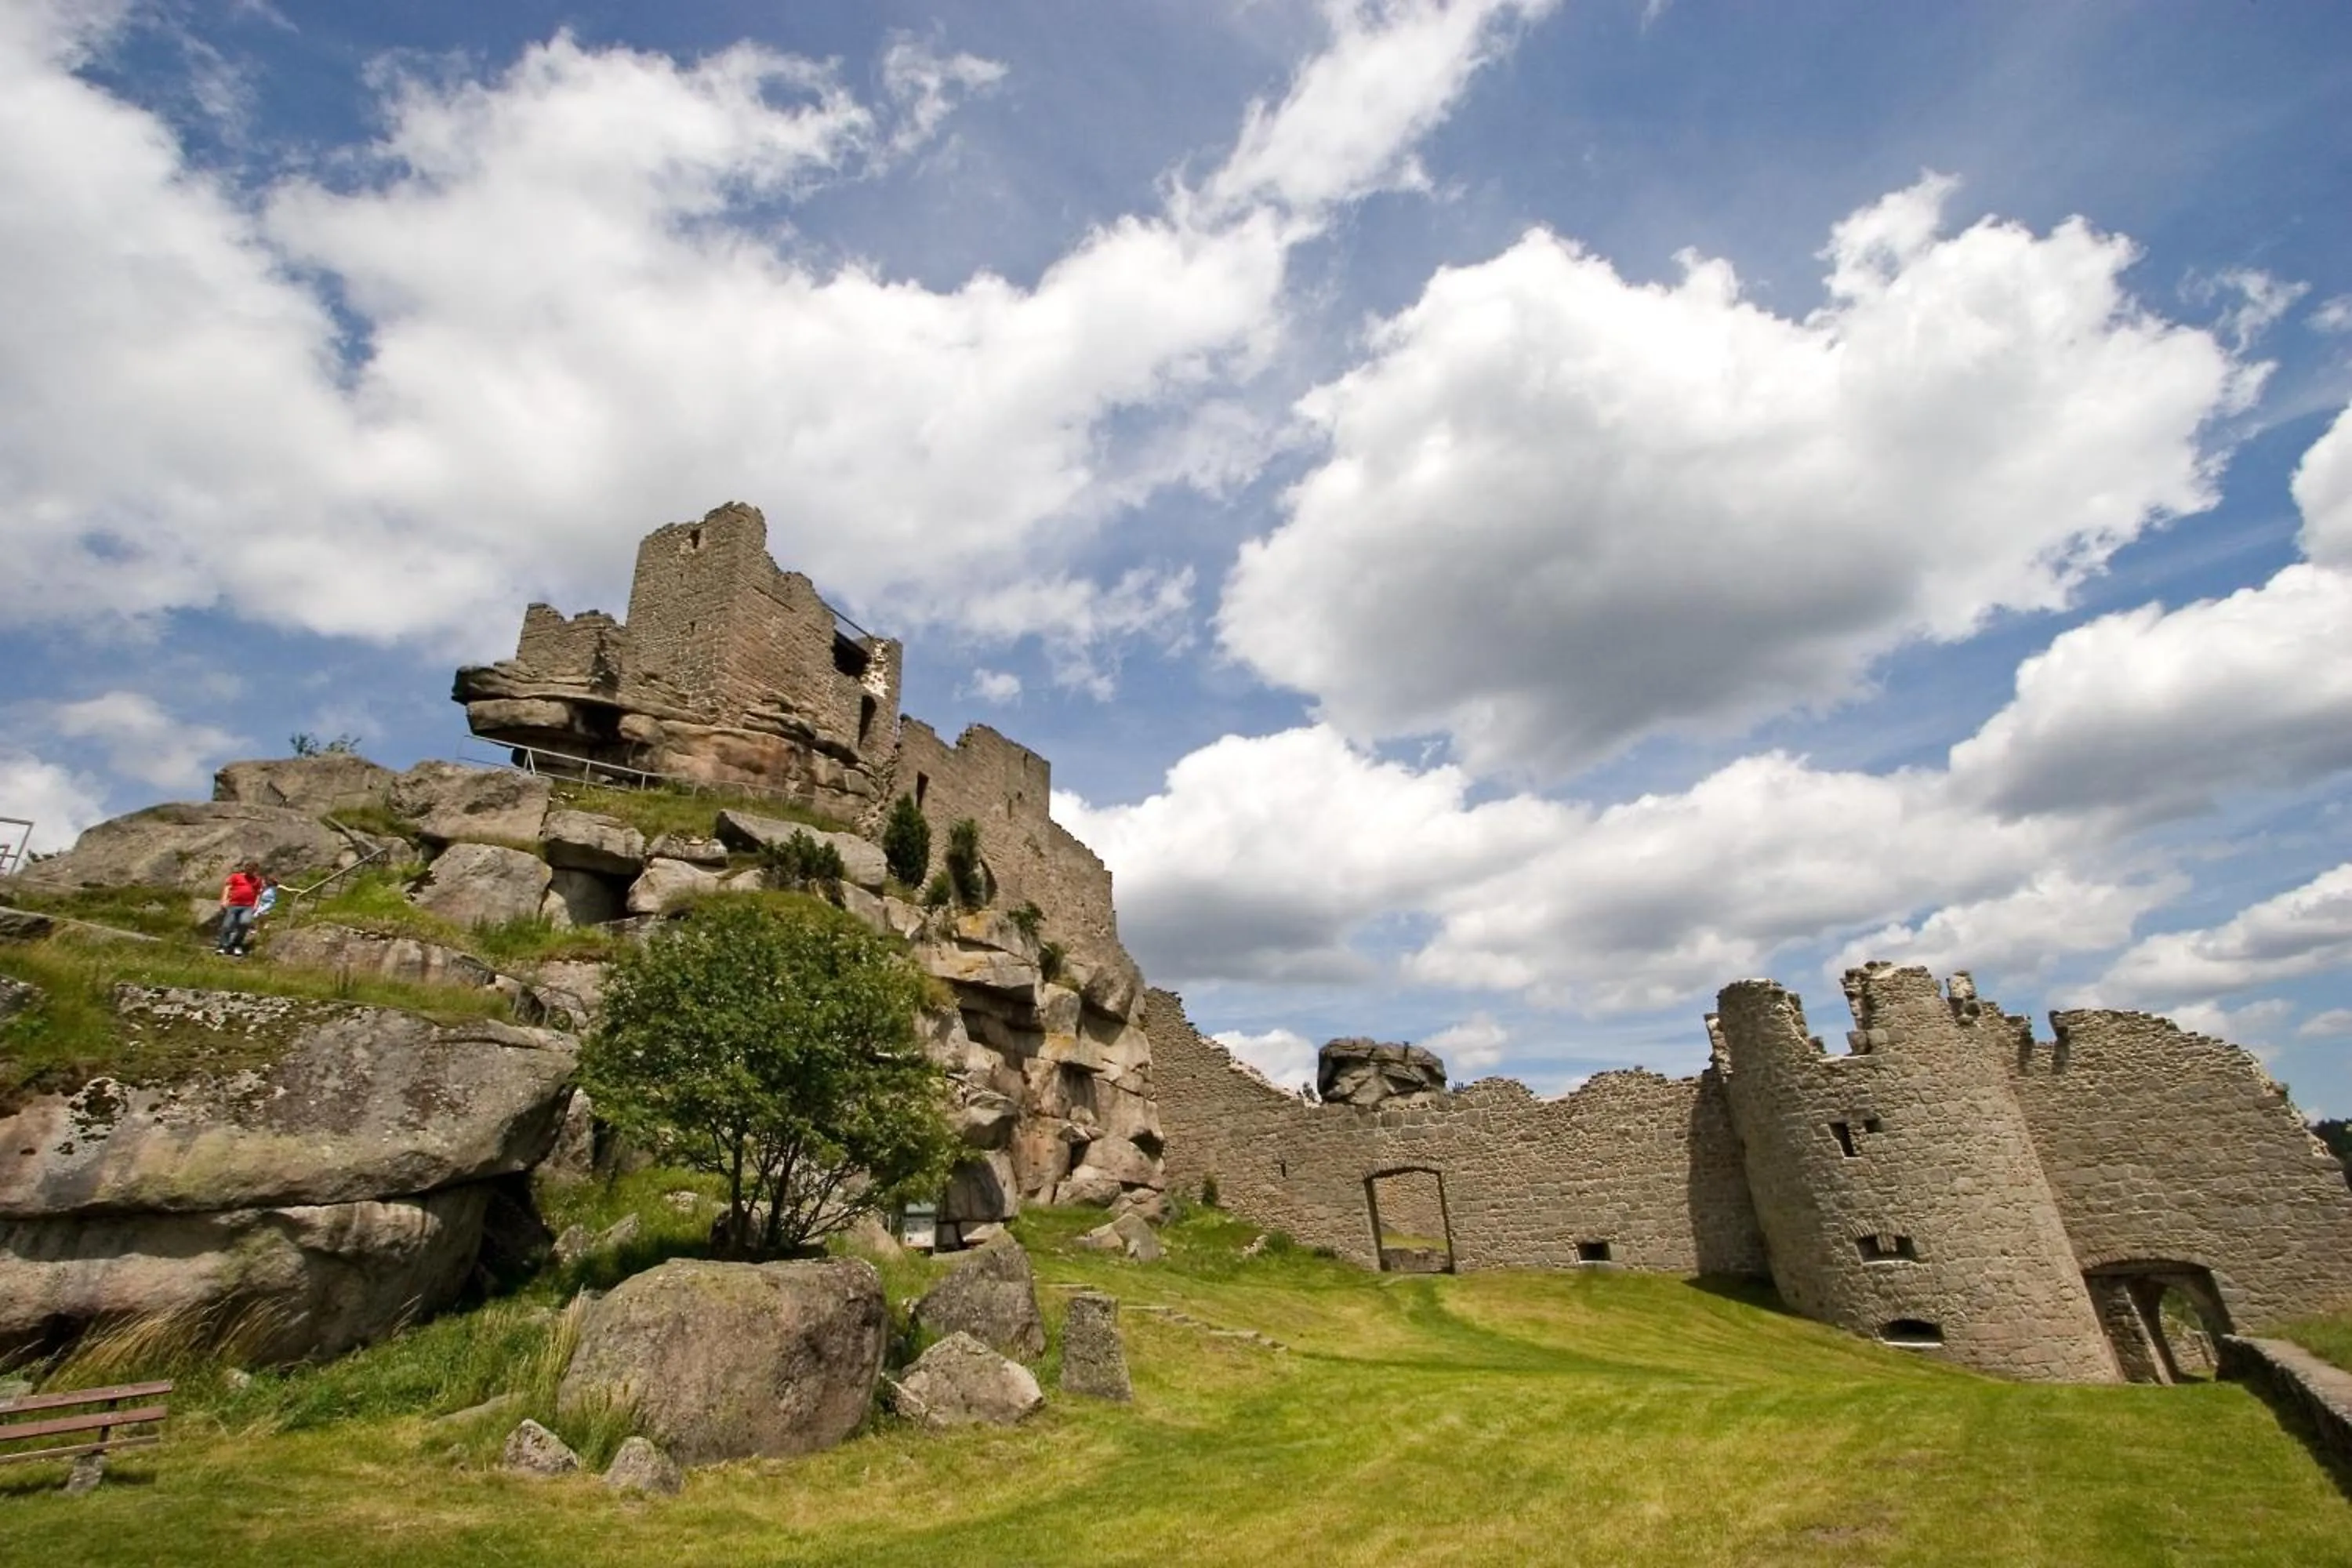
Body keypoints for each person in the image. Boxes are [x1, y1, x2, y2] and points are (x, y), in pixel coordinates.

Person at [216, 862, 263, 957]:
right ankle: (223, 946)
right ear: (245, 868)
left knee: (244, 923)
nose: (251, 871)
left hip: (248, 906)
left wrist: (256, 905)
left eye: (253, 869)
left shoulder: (257, 880)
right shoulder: (236, 876)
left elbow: (258, 893)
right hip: (234, 904)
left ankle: (237, 945)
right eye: (249, 868)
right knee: (227, 925)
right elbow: (228, 887)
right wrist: (224, 900)